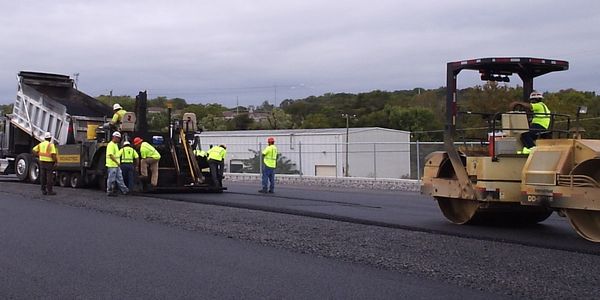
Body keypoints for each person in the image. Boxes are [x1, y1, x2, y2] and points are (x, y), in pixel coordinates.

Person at [106, 131, 129, 196]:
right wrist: (117, 162)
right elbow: (111, 155)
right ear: (114, 137)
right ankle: (110, 191)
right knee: (111, 179)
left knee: (120, 178)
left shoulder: (115, 145)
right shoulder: (111, 145)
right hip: (112, 165)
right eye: (118, 138)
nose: (119, 139)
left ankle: (125, 190)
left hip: (116, 165)